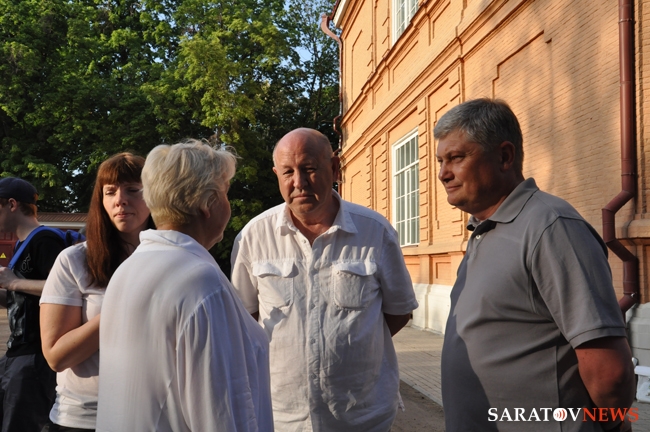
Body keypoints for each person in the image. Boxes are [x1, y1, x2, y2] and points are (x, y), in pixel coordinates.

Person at [434, 98, 636, 432]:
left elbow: (609, 372)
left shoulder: (551, 227)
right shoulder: (486, 230)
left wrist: (612, 426)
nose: (443, 173)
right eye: (440, 161)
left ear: (504, 156)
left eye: (456, 158)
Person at [231, 128, 419, 431]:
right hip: (282, 417)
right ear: (276, 174)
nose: (299, 182)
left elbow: (399, 311)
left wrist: (351, 347)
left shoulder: (374, 231)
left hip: (360, 416)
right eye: (288, 172)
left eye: (309, 169)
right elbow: (245, 319)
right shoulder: (254, 237)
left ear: (334, 167)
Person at [96, 140, 273, 432]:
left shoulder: (129, 269)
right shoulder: (201, 282)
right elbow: (220, 412)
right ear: (208, 203)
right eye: (225, 193)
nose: (228, 205)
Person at [39, 153, 153, 431]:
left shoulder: (173, 259)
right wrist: (122, 307)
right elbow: (56, 356)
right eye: (110, 192)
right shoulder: (74, 260)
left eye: (133, 190)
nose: (120, 200)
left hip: (155, 416)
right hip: (85, 418)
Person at [0, 177, 66, 431]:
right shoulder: (21, 245)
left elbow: (64, 291)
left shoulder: (45, 240)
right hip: (18, 351)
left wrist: (14, 282)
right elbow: (23, 298)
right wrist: (9, 288)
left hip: (36, 355)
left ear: (12, 204)